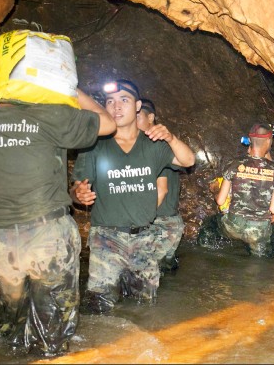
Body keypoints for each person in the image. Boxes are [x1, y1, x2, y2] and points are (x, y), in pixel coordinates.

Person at [0, 67, 116, 355]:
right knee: (51, 336)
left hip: (3, 243)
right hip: (49, 239)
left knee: (13, 328)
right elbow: (107, 123)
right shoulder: (50, 116)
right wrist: (68, 86)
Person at [70, 79, 195, 312]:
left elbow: (188, 160)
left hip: (145, 239)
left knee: (144, 308)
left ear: (137, 106)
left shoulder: (153, 144)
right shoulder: (94, 145)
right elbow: (76, 190)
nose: (116, 107)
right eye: (110, 101)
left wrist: (170, 138)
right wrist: (79, 194)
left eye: (124, 100)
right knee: (99, 307)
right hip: (106, 239)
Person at [216, 123, 274, 257]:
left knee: (212, 224)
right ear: (269, 141)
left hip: (234, 225)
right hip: (258, 230)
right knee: (259, 257)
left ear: (250, 141)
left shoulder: (234, 164)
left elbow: (220, 201)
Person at [135, 98, 186, 272]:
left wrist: (138, 222)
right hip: (164, 220)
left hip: (161, 222)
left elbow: (161, 190)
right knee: (160, 272)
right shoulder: (142, 145)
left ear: (150, 118)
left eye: (137, 116)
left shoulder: (156, 146)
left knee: (145, 271)